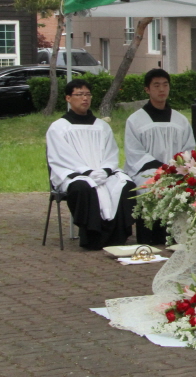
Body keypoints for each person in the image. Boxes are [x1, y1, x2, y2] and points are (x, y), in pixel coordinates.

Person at [47, 79, 137, 250]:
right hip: (74, 174)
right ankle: (92, 237)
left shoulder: (101, 126)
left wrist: (104, 170)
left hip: (103, 173)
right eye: (79, 94)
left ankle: (118, 236)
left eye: (87, 94)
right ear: (68, 98)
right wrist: (87, 172)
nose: (85, 99)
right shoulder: (59, 127)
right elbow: (62, 157)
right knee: (82, 188)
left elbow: (111, 152)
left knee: (127, 186)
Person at [123, 68, 196, 245]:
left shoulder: (180, 120)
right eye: (156, 85)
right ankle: (150, 237)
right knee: (149, 187)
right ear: (147, 90)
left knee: (188, 188)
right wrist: (160, 169)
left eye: (165, 85)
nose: (161, 89)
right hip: (146, 171)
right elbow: (135, 152)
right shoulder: (135, 120)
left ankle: (179, 236)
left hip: (176, 170)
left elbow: (189, 149)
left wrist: (176, 168)